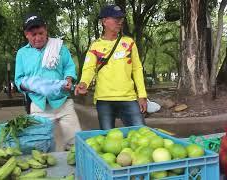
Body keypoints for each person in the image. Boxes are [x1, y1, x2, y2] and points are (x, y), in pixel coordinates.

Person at [14, 13, 81, 151]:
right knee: (40, 145)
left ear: (46, 31)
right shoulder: (22, 53)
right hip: (39, 105)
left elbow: (69, 66)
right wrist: (31, 86)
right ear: (26, 34)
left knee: (75, 142)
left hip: (62, 102)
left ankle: (77, 166)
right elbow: (18, 79)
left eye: (41, 33)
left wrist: (68, 80)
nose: (38, 38)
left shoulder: (59, 47)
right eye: (33, 34)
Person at [74, 5, 148, 130]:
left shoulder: (129, 43)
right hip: (104, 100)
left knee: (142, 133)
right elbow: (89, 68)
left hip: (128, 98)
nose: (120, 22)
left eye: (121, 19)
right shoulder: (95, 46)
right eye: (116, 19)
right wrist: (83, 83)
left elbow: (137, 69)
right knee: (108, 138)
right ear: (104, 21)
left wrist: (142, 95)